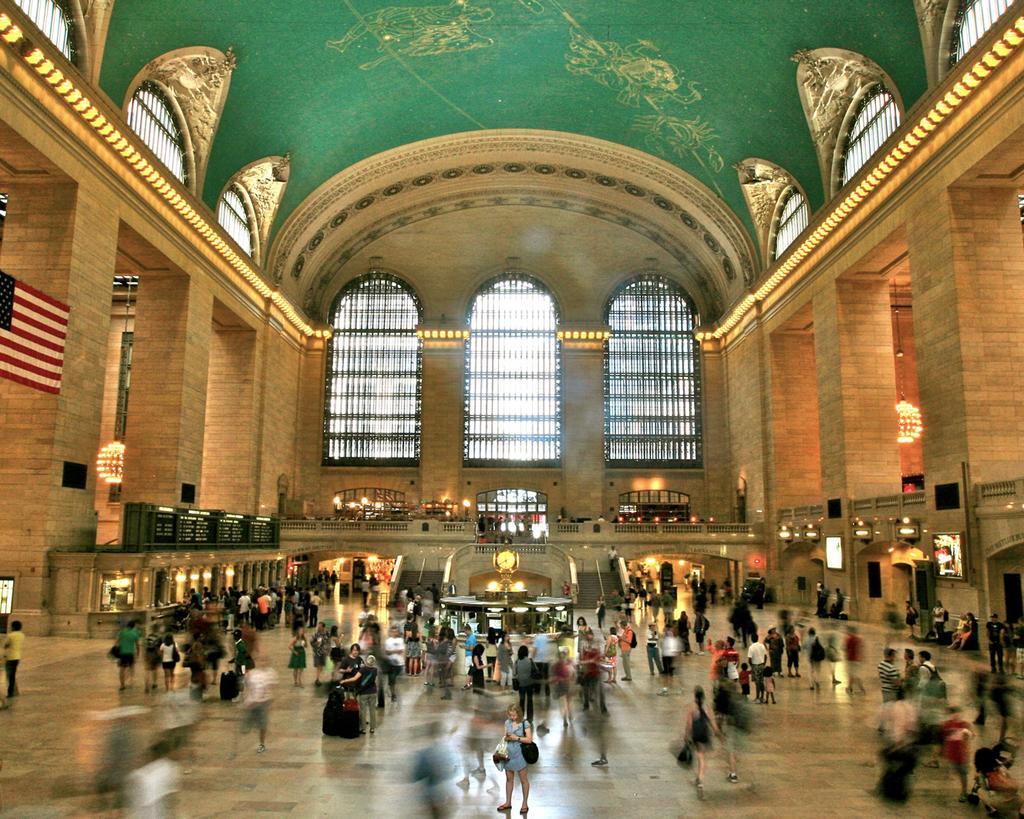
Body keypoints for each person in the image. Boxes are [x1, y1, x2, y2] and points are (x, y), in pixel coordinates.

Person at [684, 685, 721, 800]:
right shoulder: (707, 707)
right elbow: (712, 722)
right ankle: (700, 779)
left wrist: (686, 735)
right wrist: (717, 733)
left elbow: (689, 724)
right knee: (702, 758)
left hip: (695, 735)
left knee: (699, 757)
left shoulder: (691, 708)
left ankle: (698, 778)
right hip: (704, 735)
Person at [497, 703, 532, 813]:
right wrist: (507, 737)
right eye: (510, 715)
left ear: (519, 714)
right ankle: (508, 802)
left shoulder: (525, 724)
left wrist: (516, 738)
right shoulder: (507, 723)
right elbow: (505, 736)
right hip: (509, 754)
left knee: (523, 780)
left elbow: (529, 740)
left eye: (514, 715)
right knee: (509, 779)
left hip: (520, 754)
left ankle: (525, 803)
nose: (512, 717)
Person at [240, 661, 277, 753]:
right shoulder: (252, 674)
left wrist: (271, 700)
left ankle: (262, 744)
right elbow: (246, 686)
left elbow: (273, 687)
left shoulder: (270, 673)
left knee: (263, 725)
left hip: (263, 703)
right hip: (252, 703)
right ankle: (250, 724)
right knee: (245, 728)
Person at [115, 619, 142, 691]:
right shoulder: (134, 634)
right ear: (133, 626)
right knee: (131, 668)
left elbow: (116, 642)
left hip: (122, 653)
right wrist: (138, 654)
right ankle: (131, 681)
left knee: (122, 669)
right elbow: (137, 645)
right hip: (130, 653)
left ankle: (122, 685)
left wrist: (116, 652)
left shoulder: (122, 632)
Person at [551, 646, 574, 727]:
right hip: (568, 684)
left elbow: (553, 676)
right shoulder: (570, 662)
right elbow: (573, 674)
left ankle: (565, 718)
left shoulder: (556, 665)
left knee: (563, 703)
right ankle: (570, 715)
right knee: (569, 702)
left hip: (560, 685)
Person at [515, 645, 536, 722]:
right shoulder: (530, 661)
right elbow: (536, 670)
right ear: (527, 652)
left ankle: (521, 717)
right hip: (530, 683)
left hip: (521, 684)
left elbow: (514, 673)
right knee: (530, 701)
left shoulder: (517, 661)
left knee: (521, 701)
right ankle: (530, 719)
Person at [844, 625, 866, 694]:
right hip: (857, 659)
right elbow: (861, 648)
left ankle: (861, 688)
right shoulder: (859, 639)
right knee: (853, 674)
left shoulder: (849, 639)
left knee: (854, 674)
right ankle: (850, 687)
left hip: (851, 659)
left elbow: (846, 648)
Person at [747, 634, 767, 702]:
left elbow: (749, 659)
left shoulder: (751, 647)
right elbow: (765, 656)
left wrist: (752, 666)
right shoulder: (762, 646)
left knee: (757, 682)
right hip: (762, 665)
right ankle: (762, 697)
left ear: (751, 639)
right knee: (761, 682)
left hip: (755, 665)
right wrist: (764, 664)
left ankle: (757, 697)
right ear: (758, 638)